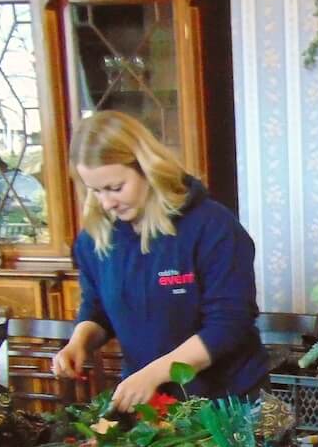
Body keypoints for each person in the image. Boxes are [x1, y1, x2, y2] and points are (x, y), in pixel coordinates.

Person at [52, 111, 270, 411]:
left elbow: (228, 324)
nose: (107, 203)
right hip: (153, 405)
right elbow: (98, 308)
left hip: (227, 401)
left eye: (115, 188)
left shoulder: (212, 227)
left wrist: (155, 373)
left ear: (146, 168)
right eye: (96, 191)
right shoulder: (95, 238)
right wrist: (80, 341)